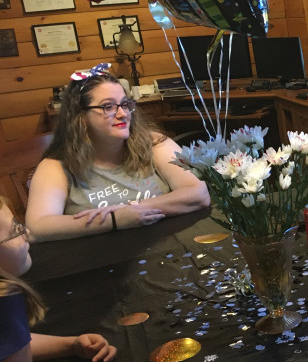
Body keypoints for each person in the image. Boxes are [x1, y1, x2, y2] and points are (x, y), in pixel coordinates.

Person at [26, 64, 210, 241]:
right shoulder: (57, 165)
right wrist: (113, 221)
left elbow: (198, 194)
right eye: (108, 107)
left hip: (169, 249)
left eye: (125, 104)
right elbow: (38, 227)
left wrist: (129, 210)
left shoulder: (154, 143)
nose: (123, 114)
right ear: (81, 117)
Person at [0, 198, 116, 362]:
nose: (26, 233)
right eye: (14, 231)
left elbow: (11, 346)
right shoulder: (5, 298)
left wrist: (70, 345)